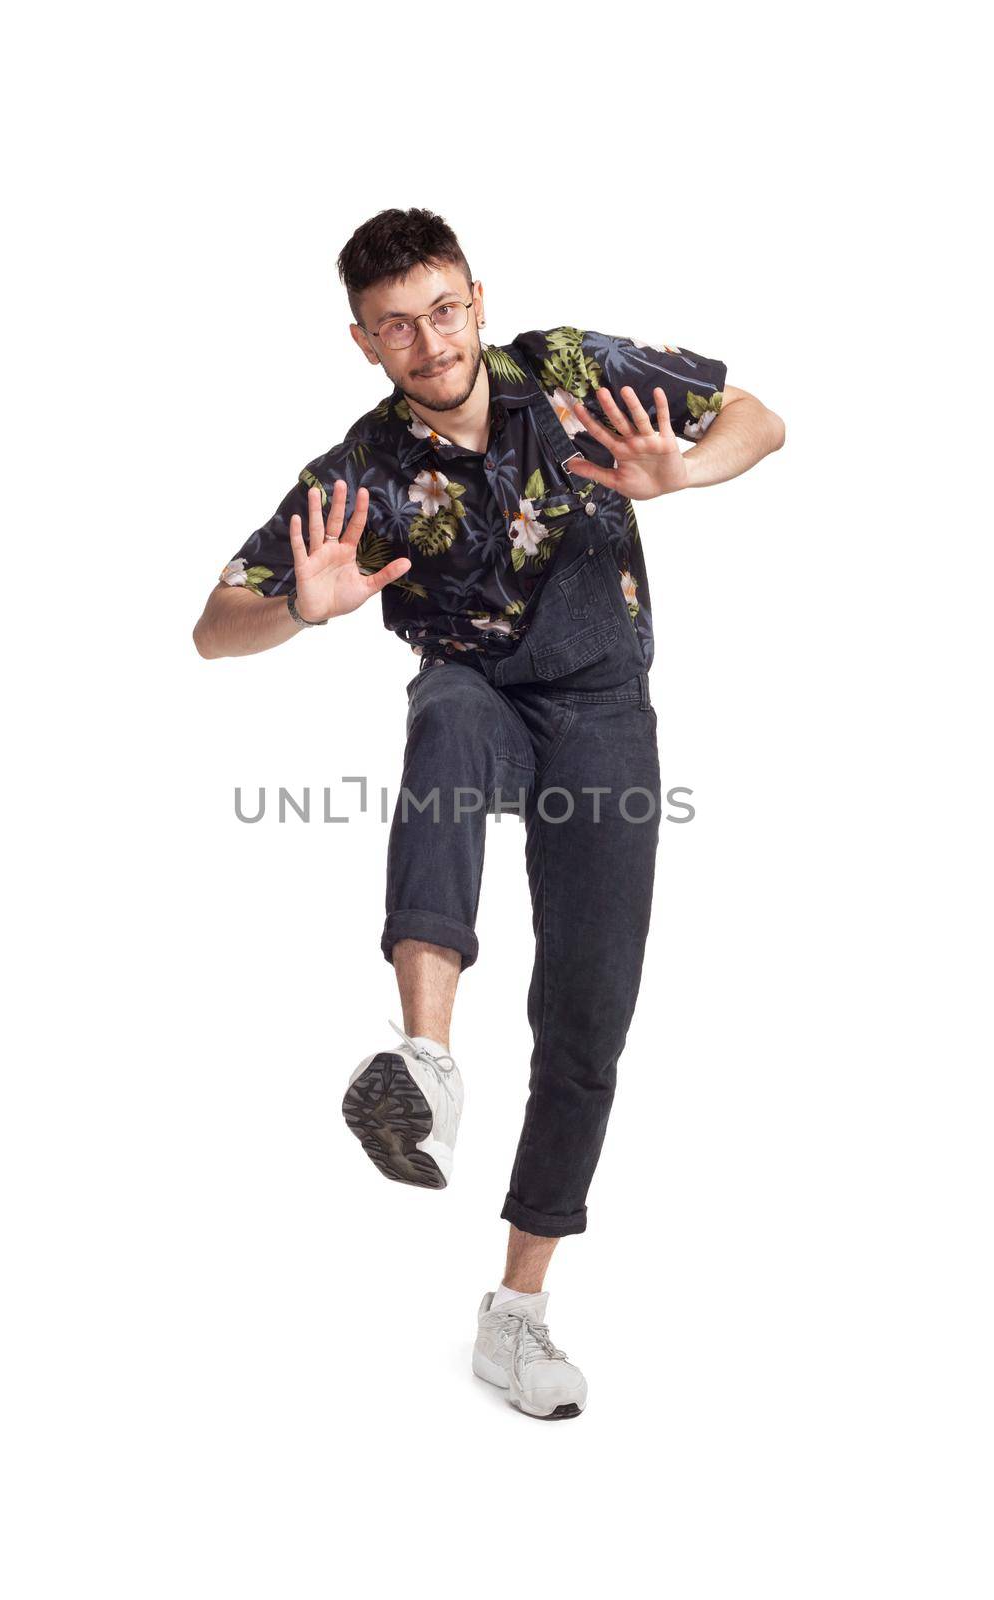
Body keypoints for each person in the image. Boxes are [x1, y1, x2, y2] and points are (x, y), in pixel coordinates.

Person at [193, 207, 785, 1419]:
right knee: (448, 720)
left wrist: (684, 468)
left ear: (475, 294)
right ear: (362, 340)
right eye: (395, 326)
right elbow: (213, 626)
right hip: (479, 688)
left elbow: (759, 418)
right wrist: (299, 610)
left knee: (587, 1016)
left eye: (444, 308)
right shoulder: (357, 473)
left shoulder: (567, 368)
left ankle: (514, 1313)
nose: (429, 341)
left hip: (605, 703)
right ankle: (425, 1056)